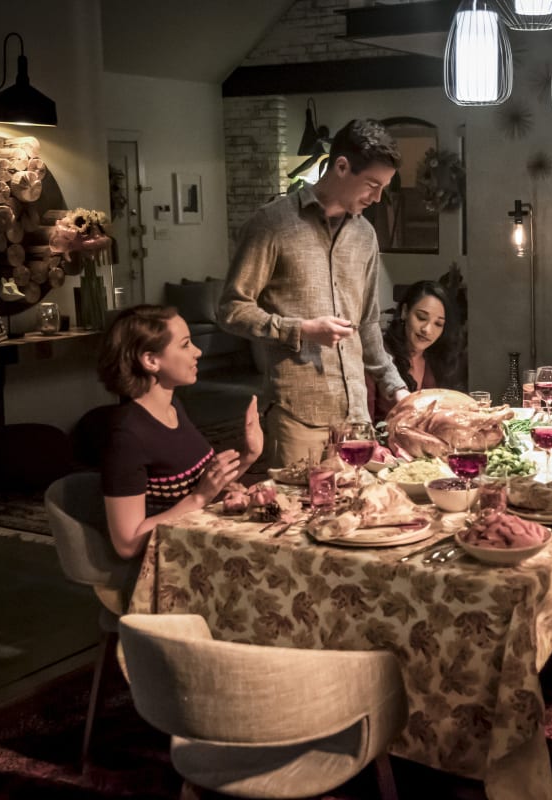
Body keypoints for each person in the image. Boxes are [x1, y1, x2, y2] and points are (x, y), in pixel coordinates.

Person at [218, 118, 410, 467]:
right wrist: (302, 330)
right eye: (372, 185)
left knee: (359, 503)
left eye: (383, 187)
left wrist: (396, 388)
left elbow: (367, 324)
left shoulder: (365, 236)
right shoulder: (272, 223)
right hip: (298, 415)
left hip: (356, 418)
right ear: (342, 166)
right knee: (297, 504)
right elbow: (231, 309)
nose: (377, 198)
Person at [98, 305, 262, 560]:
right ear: (151, 360)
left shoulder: (173, 407)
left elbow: (205, 486)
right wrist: (199, 498)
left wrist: (249, 455)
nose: (198, 352)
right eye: (185, 345)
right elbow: (127, 545)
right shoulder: (126, 436)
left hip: (200, 540)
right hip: (169, 563)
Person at [366, 280, 463, 422]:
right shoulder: (378, 357)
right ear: (405, 312)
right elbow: (363, 425)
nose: (427, 330)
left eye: (438, 324)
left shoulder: (439, 362)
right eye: (421, 317)